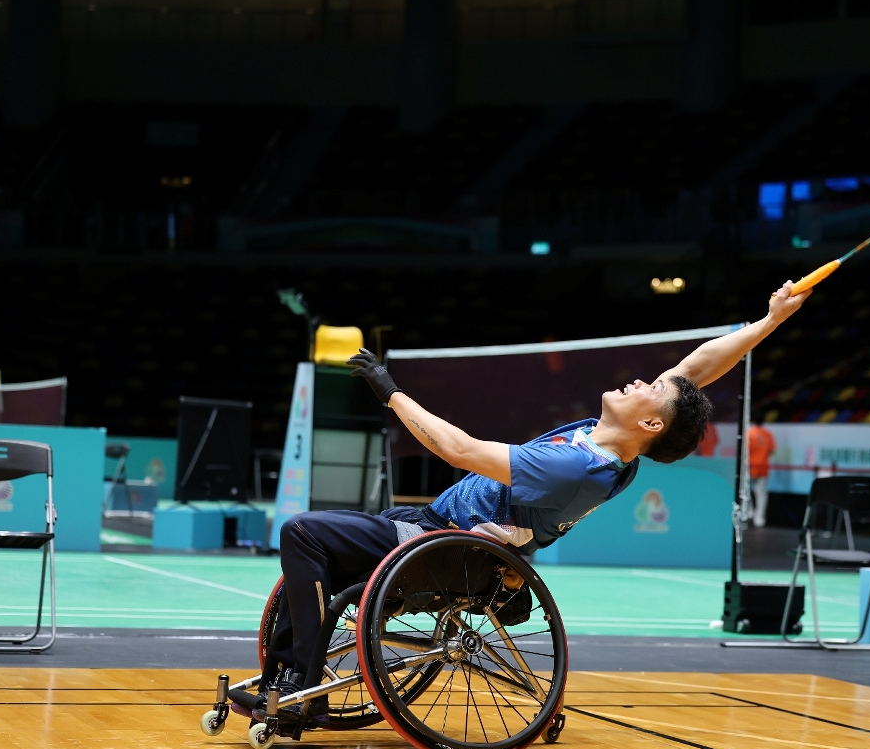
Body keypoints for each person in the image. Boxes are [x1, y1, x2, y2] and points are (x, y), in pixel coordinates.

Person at [262, 281, 812, 714]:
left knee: (303, 533)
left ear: (650, 423)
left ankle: (300, 686)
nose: (641, 381)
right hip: (440, 530)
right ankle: (284, 676)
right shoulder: (614, 450)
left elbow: (458, 450)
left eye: (650, 389)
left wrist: (391, 392)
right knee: (320, 560)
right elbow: (695, 370)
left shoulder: (573, 467)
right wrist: (770, 321)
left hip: (443, 547)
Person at [747, 415, 775, 528]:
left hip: (750, 467)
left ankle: (749, 513)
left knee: (745, 491)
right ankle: (759, 518)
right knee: (761, 494)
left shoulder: (749, 433)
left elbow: (745, 451)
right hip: (762, 467)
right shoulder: (767, 434)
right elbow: (771, 450)